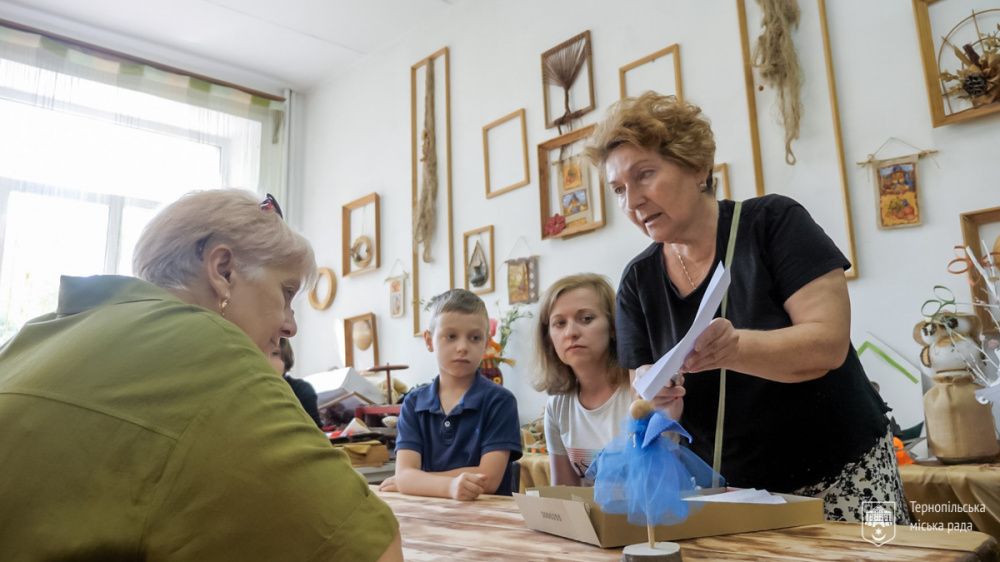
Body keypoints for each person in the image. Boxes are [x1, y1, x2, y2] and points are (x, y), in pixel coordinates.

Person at [0, 190, 402, 561]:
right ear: (222, 269)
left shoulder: (36, 336)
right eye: (286, 293)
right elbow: (373, 553)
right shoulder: (213, 352)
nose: (290, 326)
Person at [585, 92, 910, 524]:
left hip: (839, 477)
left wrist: (734, 349)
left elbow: (827, 344)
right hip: (731, 497)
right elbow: (640, 391)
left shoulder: (773, 223)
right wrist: (656, 396)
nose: (632, 202)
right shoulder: (637, 281)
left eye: (644, 175)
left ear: (697, 167)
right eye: (619, 189)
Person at [381, 288, 522, 500]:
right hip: (428, 518)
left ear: (486, 343)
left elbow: (489, 479)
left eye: (474, 338)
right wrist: (445, 485)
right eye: (451, 336)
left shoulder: (500, 401)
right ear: (429, 341)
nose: (462, 347)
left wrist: (418, 481)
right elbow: (404, 474)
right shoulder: (413, 402)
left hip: (488, 520)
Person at [534, 273, 633, 486]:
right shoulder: (557, 406)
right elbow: (563, 496)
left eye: (586, 319)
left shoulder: (638, 392)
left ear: (614, 327)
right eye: (559, 323)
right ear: (549, 339)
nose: (571, 332)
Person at [269, 337, 323, 428]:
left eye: (275, 353)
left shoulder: (301, 389)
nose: (266, 359)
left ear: (285, 358)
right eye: (260, 354)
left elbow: (315, 431)